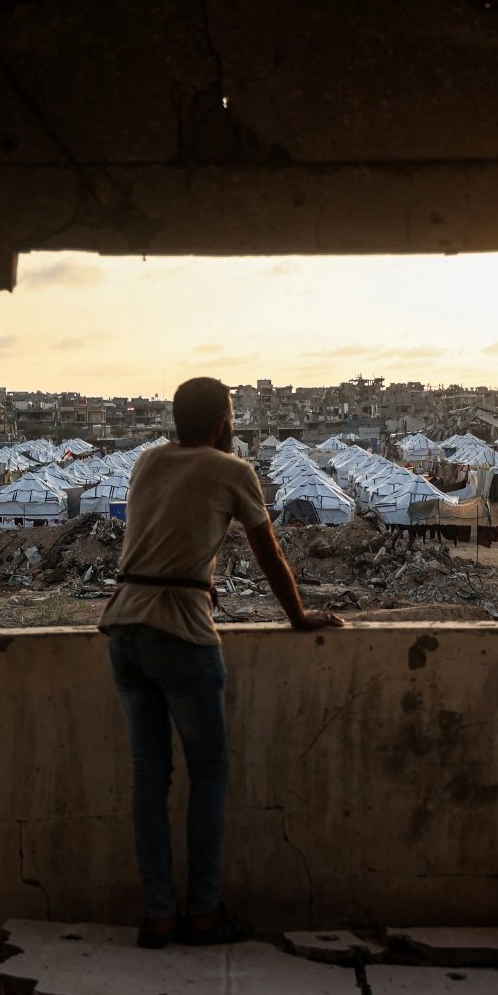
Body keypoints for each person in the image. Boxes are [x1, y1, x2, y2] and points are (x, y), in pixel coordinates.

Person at [100, 377, 343, 949]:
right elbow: (270, 554)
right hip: (180, 633)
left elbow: (161, 537)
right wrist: (299, 616)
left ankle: (159, 916)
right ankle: (204, 914)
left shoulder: (147, 461)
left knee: (149, 777)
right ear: (221, 422)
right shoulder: (233, 470)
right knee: (208, 774)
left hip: (125, 626)